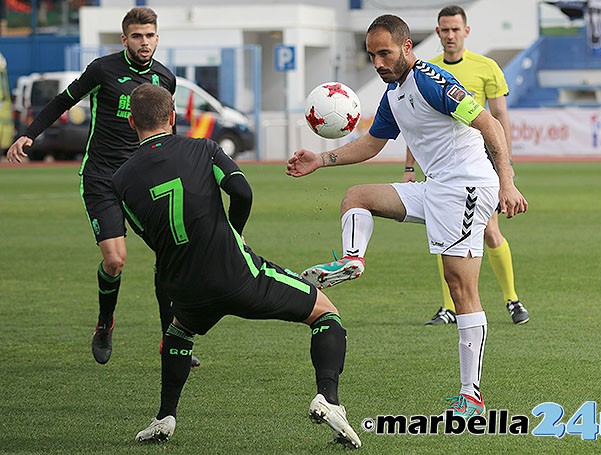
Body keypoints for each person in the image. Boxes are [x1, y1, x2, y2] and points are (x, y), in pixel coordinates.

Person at [287, 14, 527, 417]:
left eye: (385, 52)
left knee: (460, 288)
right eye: (372, 55)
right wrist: (321, 159)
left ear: (406, 48)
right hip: (436, 188)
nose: (379, 62)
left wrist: (507, 181)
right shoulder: (394, 94)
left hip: (468, 186)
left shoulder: (431, 81)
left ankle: (471, 396)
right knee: (357, 196)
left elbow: (488, 123)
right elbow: (371, 145)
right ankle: (352, 260)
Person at [113, 83, 360, 448]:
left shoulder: (120, 180)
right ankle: (330, 400)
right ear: (172, 116)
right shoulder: (203, 148)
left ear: (131, 122)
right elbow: (243, 192)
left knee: (179, 334)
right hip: (237, 274)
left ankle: (165, 417)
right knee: (325, 313)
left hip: (183, 283)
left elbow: (149, 234)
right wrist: (235, 234)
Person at [6, 7, 200, 367]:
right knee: (115, 260)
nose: (145, 42)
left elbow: (168, 132)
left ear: (157, 38)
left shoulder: (164, 79)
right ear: (124, 39)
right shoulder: (103, 69)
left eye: (150, 35)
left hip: (143, 179)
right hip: (102, 177)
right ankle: (104, 324)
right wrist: (28, 135)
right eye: (137, 36)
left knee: (170, 254)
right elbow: (64, 100)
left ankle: (169, 339)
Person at [403, 5, 528, 326]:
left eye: (455, 29)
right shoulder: (425, 70)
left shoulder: (486, 67)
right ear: (437, 32)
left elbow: (499, 117)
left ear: (466, 32)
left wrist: (507, 168)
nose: (449, 35)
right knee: (443, 230)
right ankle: (449, 307)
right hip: (442, 162)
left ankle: (511, 299)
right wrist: (408, 167)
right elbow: (417, 125)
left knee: (489, 230)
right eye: (444, 30)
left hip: (479, 160)